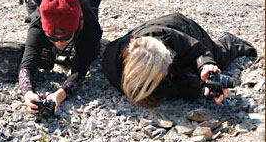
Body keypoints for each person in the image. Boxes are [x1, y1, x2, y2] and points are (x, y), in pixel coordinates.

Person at [101, 13, 257, 107]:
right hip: (153, 44)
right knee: (185, 72)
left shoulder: (155, 40)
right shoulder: (113, 69)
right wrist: (201, 89)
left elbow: (195, 49)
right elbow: (175, 87)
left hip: (182, 28)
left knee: (218, 58)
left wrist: (206, 64)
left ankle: (232, 42)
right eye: (165, 69)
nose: (170, 66)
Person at [18, 0, 103, 114]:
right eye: (53, 38)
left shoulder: (88, 24)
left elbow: (81, 68)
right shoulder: (39, 21)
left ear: (78, 26)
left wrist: (60, 94)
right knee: (40, 52)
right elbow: (26, 65)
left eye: (65, 38)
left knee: (92, 51)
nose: (59, 43)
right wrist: (27, 93)